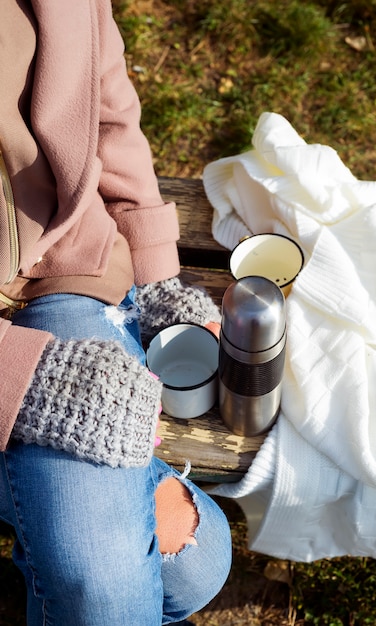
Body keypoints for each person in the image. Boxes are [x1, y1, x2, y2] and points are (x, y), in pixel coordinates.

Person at [0, 1, 232, 624]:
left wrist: (156, 277)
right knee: (114, 586)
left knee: (197, 565)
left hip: (62, 264)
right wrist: (27, 382)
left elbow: (107, 105)